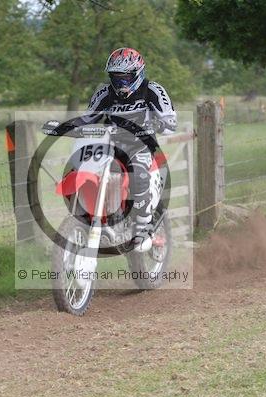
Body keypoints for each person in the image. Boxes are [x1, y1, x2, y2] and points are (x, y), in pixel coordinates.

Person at [49, 47, 177, 252]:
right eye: (116, 78)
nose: (121, 83)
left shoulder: (152, 90)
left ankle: (142, 226)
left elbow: (170, 120)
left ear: (137, 73)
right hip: (110, 145)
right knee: (84, 169)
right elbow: (87, 118)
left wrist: (160, 123)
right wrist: (63, 127)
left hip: (140, 145)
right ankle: (94, 216)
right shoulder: (104, 93)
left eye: (125, 78)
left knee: (138, 173)